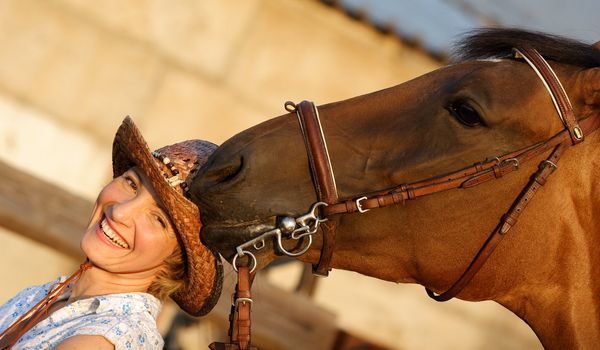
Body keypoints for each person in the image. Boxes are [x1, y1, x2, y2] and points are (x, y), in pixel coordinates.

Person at [0, 117, 223, 349]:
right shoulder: (50, 296)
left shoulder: (108, 337)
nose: (120, 212)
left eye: (158, 219)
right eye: (132, 183)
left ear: (176, 262)